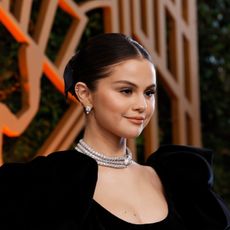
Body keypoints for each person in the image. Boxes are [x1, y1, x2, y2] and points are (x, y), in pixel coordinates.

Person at [0, 33, 229, 230]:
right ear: (85, 94)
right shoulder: (50, 184)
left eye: (149, 93)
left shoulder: (176, 180)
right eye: (126, 90)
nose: (142, 104)